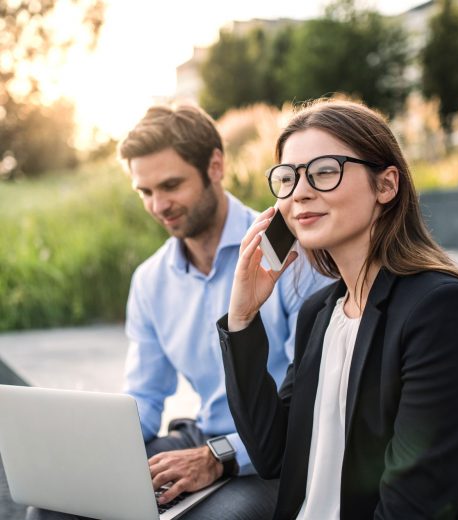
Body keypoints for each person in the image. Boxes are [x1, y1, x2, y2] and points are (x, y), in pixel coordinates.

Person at [26, 104, 330, 520]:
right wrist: (90, 450)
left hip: (273, 452)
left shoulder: (289, 254)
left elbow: (314, 402)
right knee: (53, 509)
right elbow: (146, 398)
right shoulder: (150, 280)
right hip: (199, 435)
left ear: (216, 166)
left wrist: (220, 455)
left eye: (171, 185)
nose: (158, 205)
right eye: (145, 192)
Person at [217, 98, 458, 520]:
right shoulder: (319, 312)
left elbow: (414, 505)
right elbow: (272, 454)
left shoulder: (438, 309)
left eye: (325, 171)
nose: (300, 192)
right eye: (287, 178)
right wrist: (242, 320)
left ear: (386, 185)